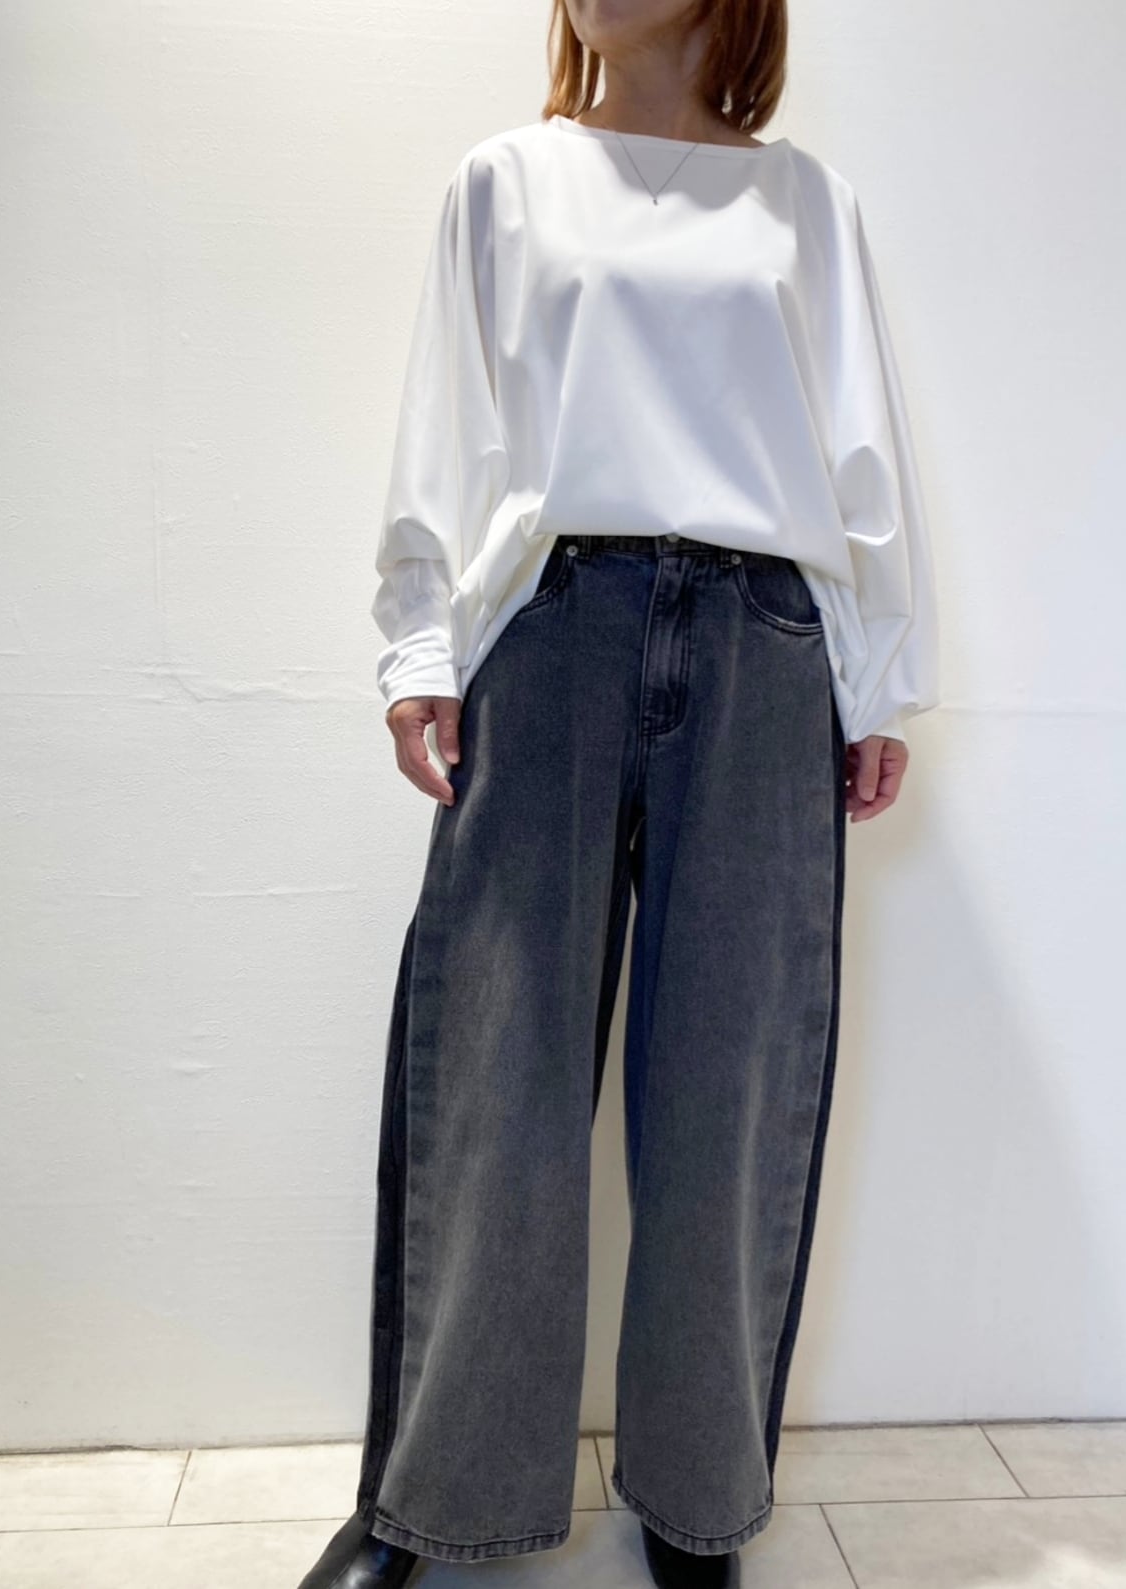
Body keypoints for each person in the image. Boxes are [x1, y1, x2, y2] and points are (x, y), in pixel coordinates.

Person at [297, 0, 939, 1584]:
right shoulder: (505, 182)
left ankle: (695, 1499)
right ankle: (431, 1498)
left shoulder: (805, 204)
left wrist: (878, 675)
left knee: (732, 1085)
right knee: (495, 1073)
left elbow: (863, 457)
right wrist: (419, 644)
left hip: (764, 646)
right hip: (557, 628)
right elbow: (445, 427)